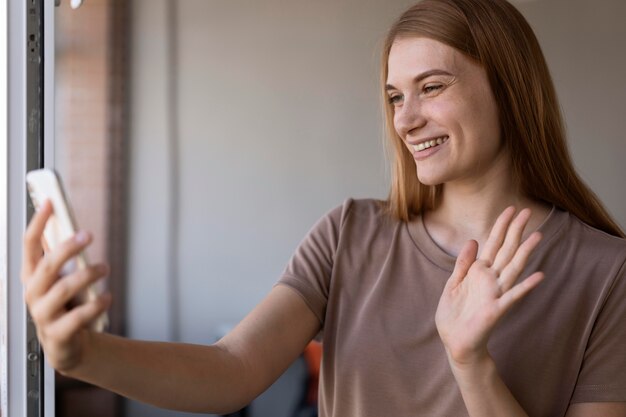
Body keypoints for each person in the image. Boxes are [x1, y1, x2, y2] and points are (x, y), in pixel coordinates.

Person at [21, 0, 626, 416]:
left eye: (432, 87)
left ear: (509, 88)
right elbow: (232, 369)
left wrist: (470, 361)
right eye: (394, 96)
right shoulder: (349, 234)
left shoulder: (607, 274)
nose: (406, 119)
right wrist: (84, 355)